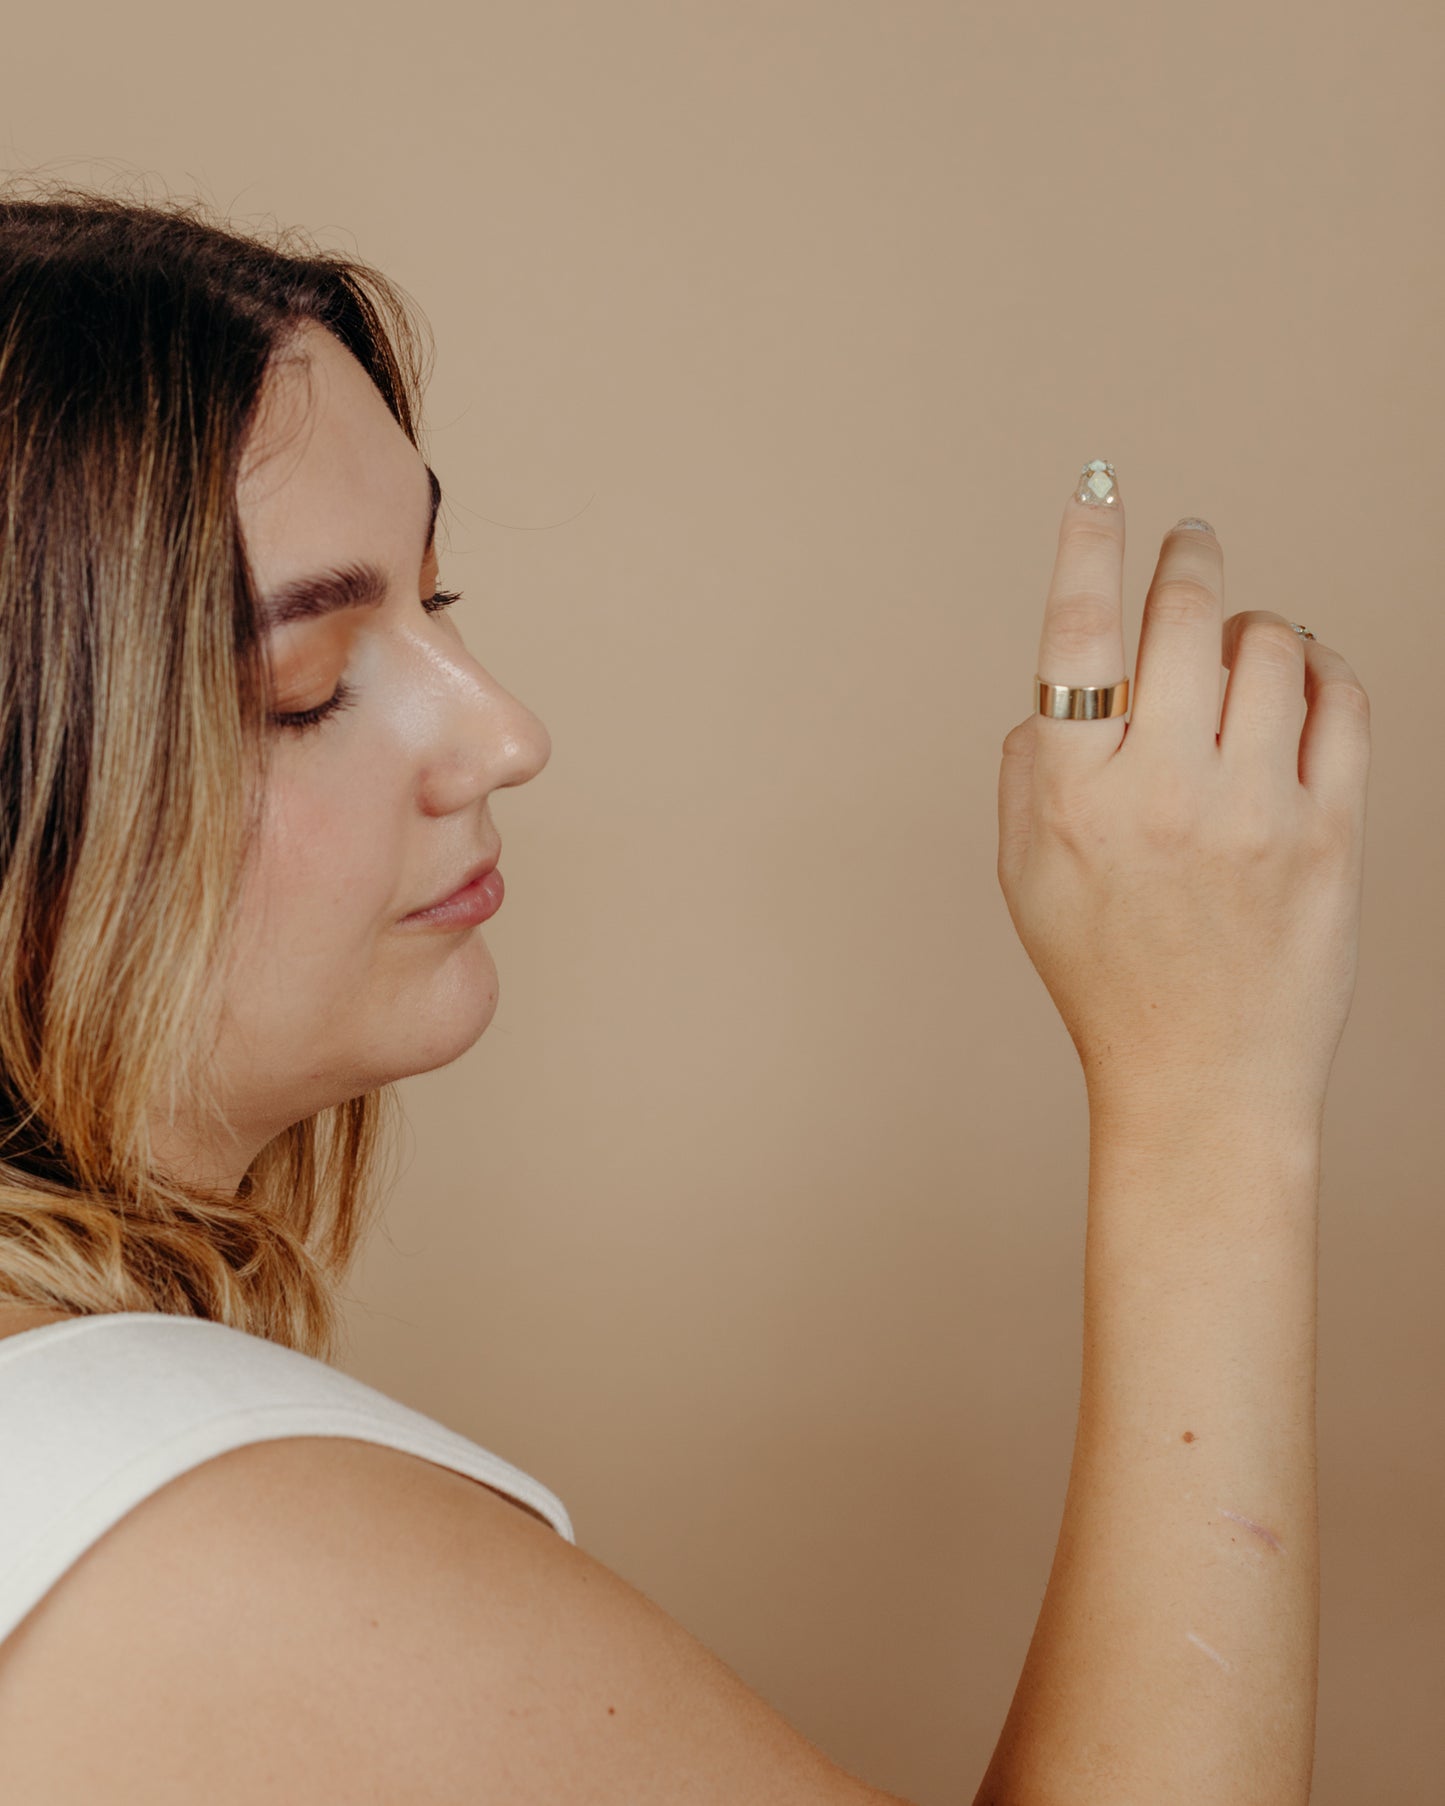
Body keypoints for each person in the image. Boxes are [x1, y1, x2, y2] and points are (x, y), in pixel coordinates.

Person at [0, 182, 1369, 1805]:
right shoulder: (189, 1527)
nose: (503, 731)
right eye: (305, 684)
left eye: (435, 599)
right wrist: (1206, 1095)